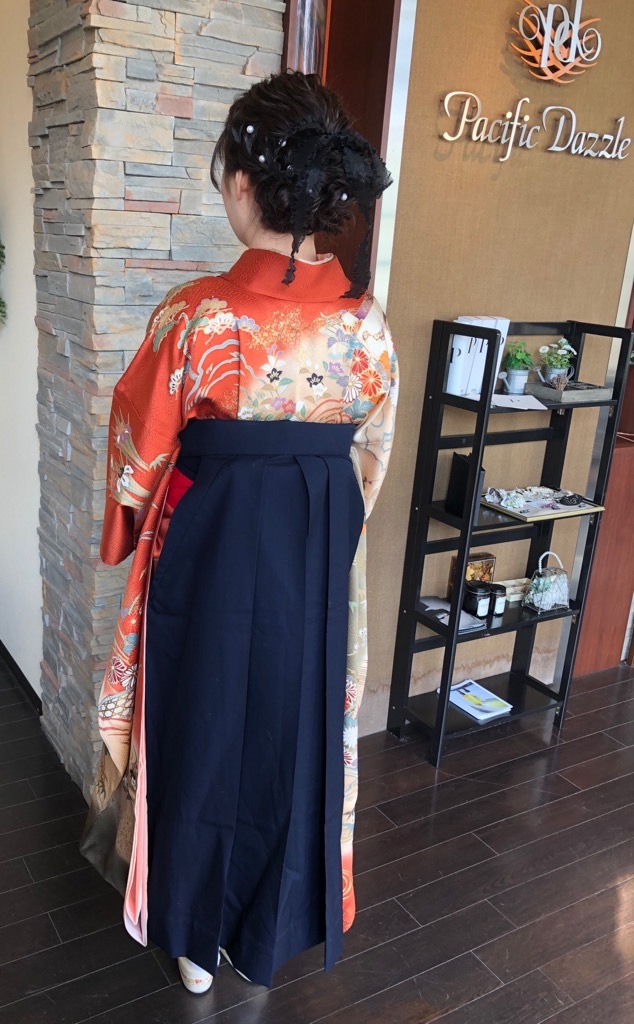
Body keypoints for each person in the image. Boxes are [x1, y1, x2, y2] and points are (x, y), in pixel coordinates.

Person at [80, 70, 398, 993]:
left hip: (210, 543)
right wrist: (324, 524)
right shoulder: (366, 326)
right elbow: (370, 455)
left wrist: (125, 523)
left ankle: (193, 935)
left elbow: (139, 447)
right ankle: (269, 922)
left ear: (245, 182)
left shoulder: (197, 315)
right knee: (297, 730)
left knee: (201, 726)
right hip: (317, 547)